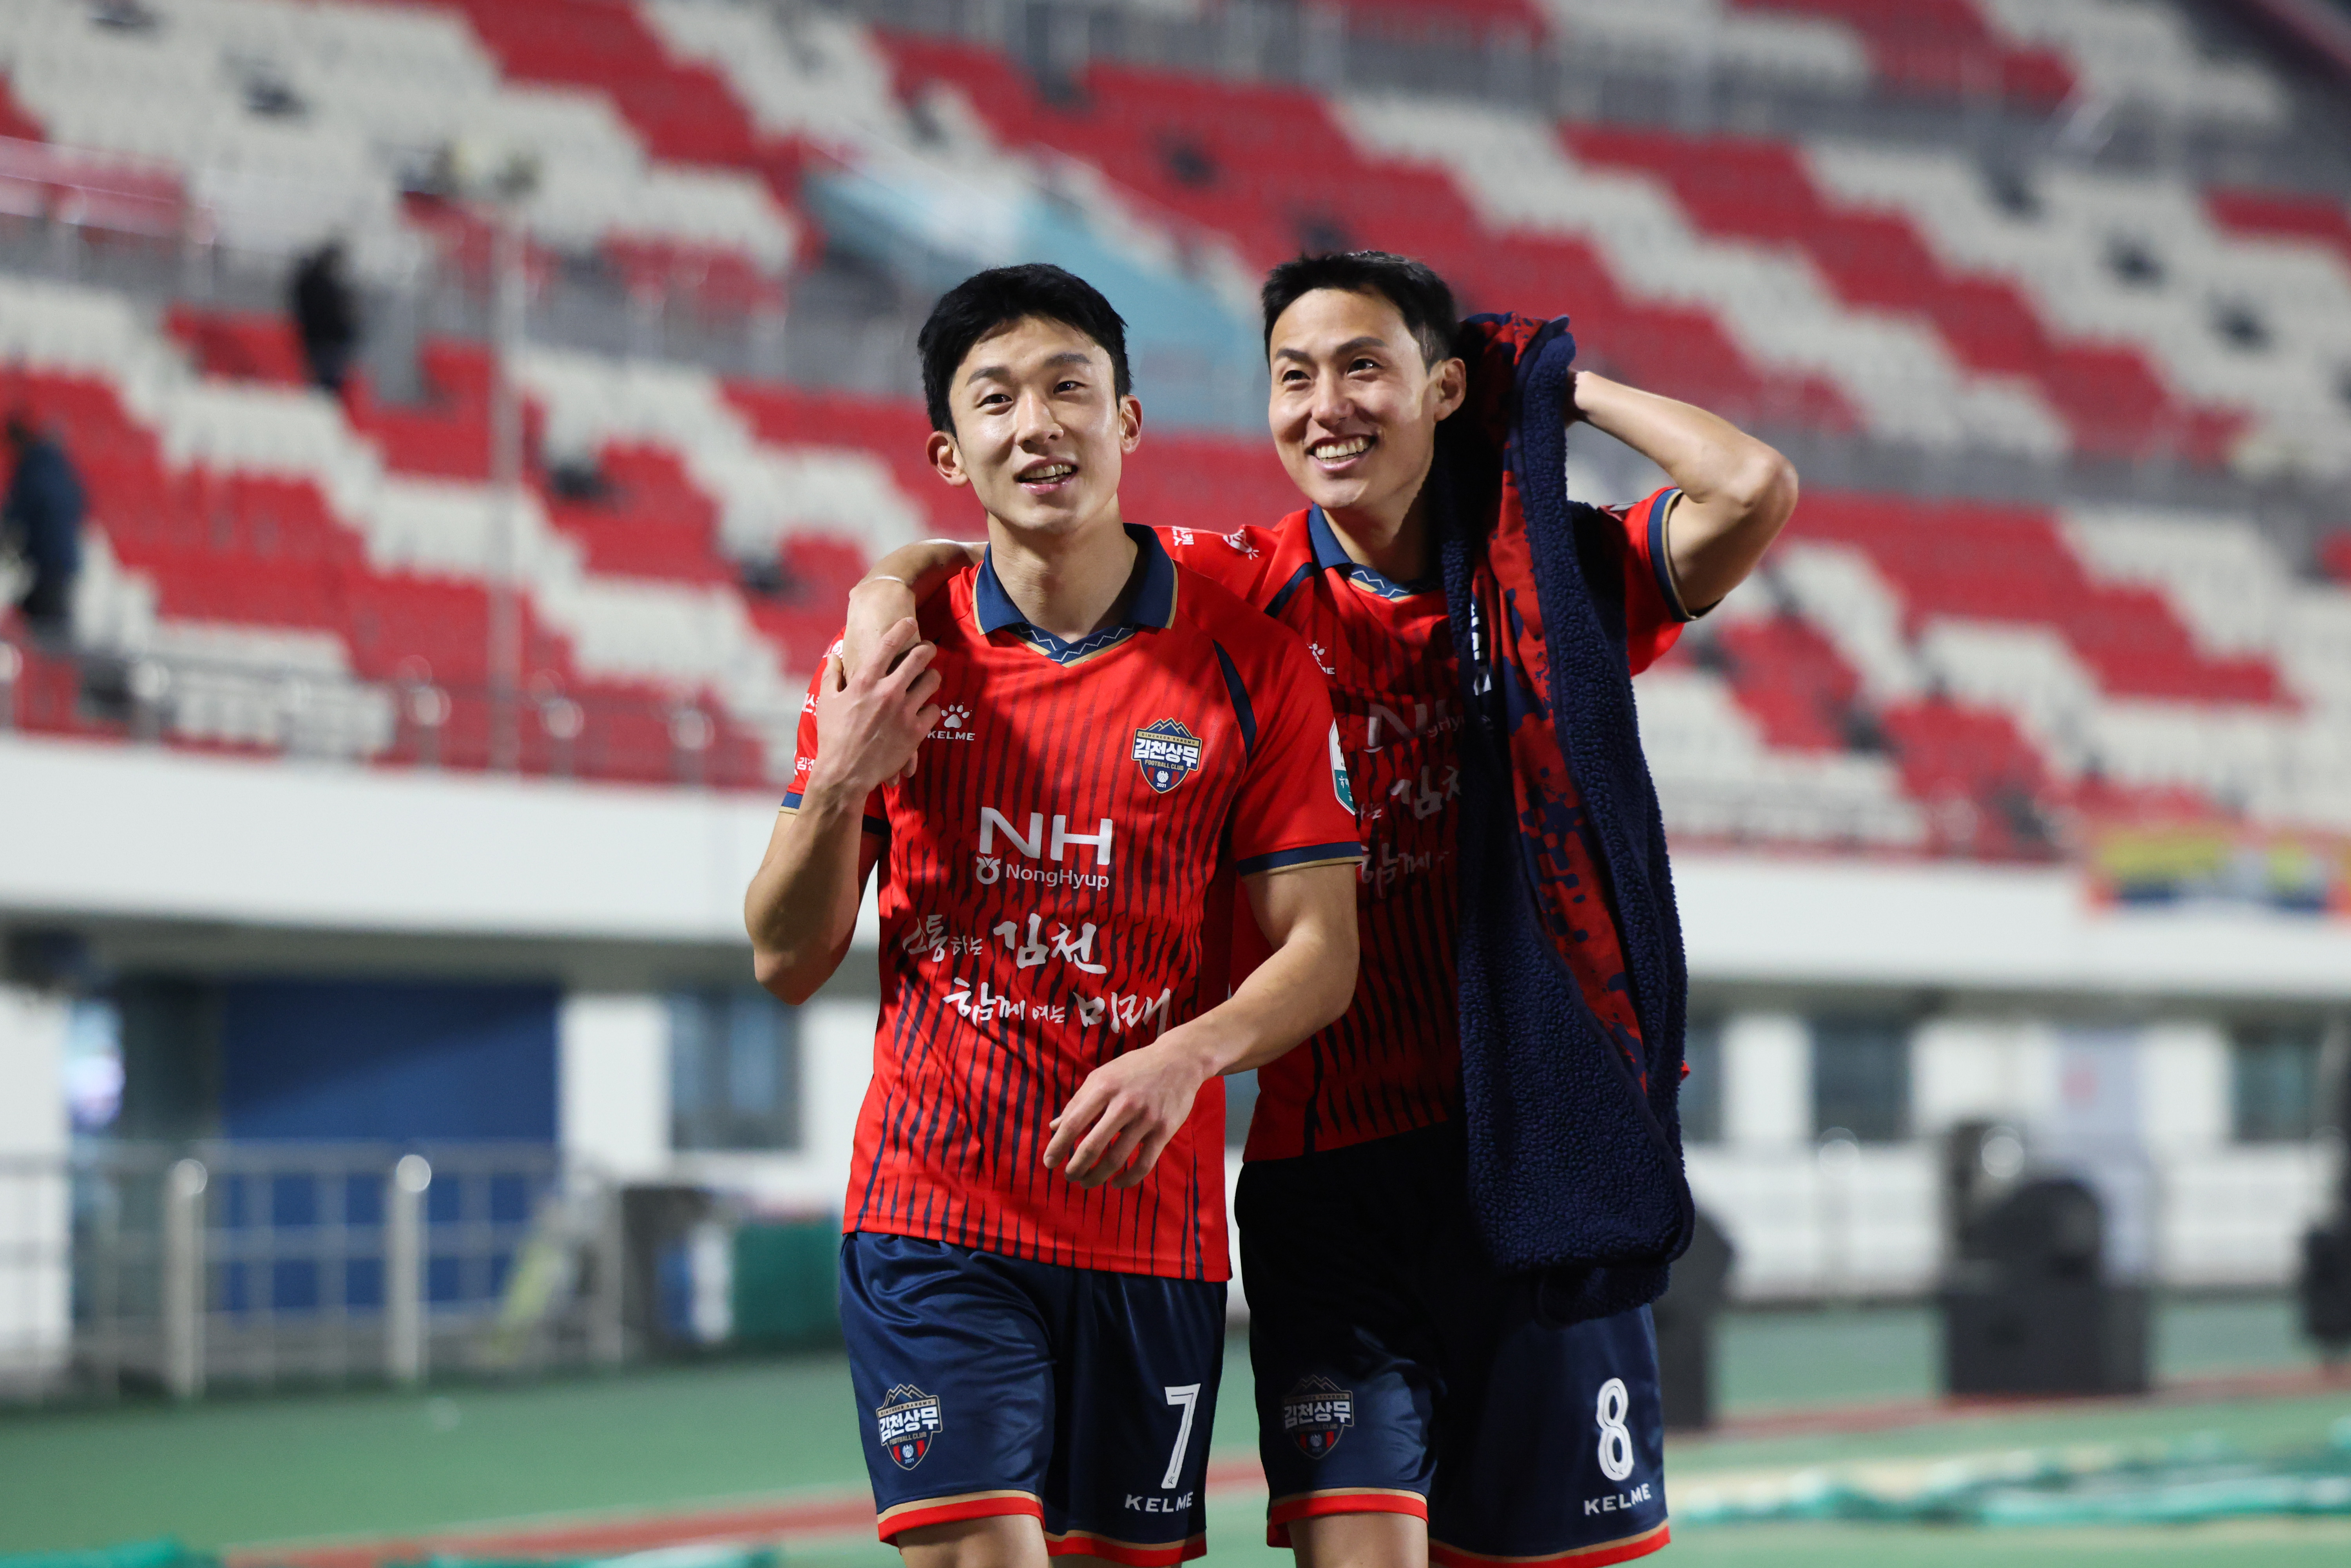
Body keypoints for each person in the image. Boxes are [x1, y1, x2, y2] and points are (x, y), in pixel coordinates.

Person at [846, 251, 1798, 1568]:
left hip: (1533, 1152)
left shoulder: (1551, 578)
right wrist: (877, 593)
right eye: (1293, 377)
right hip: (1327, 1176)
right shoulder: (1236, 589)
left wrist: (1546, 390)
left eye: (1364, 369)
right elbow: (999, 549)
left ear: (1443, 389)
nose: (1325, 406)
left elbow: (1749, 487)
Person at [743, 263, 1364, 1568]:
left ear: (1127, 421)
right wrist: (841, 777)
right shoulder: (890, 660)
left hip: (1154, 1237)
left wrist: (1188, 1055)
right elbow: (785, 957)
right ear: (949, 452)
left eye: (1069, 388)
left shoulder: (1251, 666)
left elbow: (1323, 952)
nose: (1038, 423)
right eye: (996, 399)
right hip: (935, 1218)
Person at [2, 413, 87, 643]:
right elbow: (83, 502)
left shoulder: (32, 469)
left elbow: (18, 512)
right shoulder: (58, 464)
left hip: (50, 562)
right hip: (64, 559)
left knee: (48, 630)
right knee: (48, 618)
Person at [290, 239, 359, 395]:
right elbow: (329, 313)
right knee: (326, 386)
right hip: (326, 341)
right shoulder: (321, 286)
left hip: (319, 340)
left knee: (324, 384)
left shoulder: (314, 284)